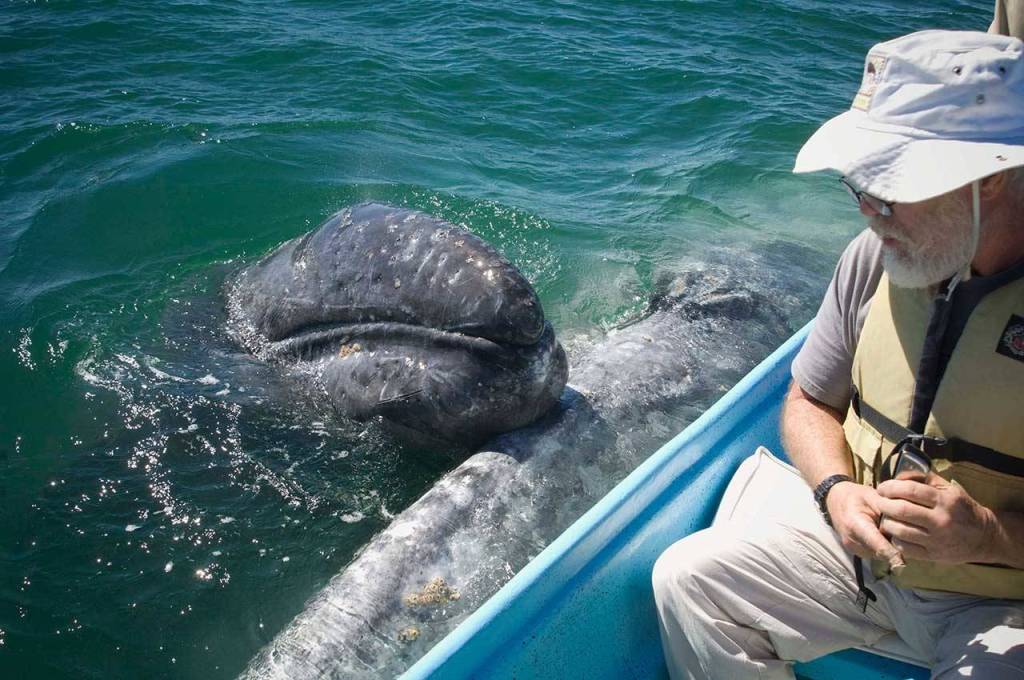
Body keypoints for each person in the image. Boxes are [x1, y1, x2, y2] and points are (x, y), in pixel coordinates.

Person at [652, 30, 1024, 680]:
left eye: (890, 188)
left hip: (999, 599)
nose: (868, 212)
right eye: (859, 184)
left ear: (988, 178)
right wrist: (836, 490)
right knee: (689, 579)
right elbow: (808, 401)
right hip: (857, 560)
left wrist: (990, 535)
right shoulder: (876, 257)